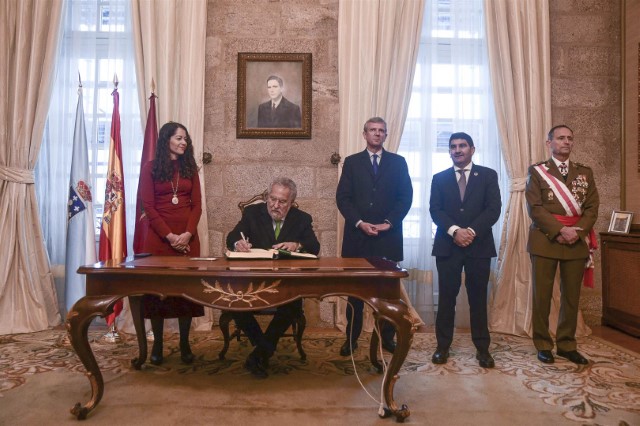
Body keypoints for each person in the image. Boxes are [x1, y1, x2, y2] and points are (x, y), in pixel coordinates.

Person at [226, 177, 320, 378]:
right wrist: (237, 244)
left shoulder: (302, 218)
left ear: (291, 202)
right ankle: (264, 350)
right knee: (234, 303)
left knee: (292, 306)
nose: (275, 205)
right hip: (254, 281)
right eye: (272, 199)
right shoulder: (252, 213)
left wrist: (297, 245)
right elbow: (231, 237)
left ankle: (258, 354)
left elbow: (314, 246)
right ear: (268, 196)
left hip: (285, 284)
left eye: (282, 202)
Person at [336, 117, 413, 356]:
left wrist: (387, 224)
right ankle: (351, 339)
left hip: (387, 239)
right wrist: (360, 223)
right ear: (364, 134)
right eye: (372, 130)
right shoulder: (351, 163)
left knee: (387, 295)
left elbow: (405, 198)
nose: (377, 134)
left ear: (386, 135)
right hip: (357, 239)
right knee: (355, 295)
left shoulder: (398, 163)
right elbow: (343, 198)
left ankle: (386, 338)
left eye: (381, 131)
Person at [526, 125, 599, 365]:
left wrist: (576, 233)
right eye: (560, 138)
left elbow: (591, 207)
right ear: (550, 143)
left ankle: (567, 344)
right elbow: (535, 207)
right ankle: (543, 344)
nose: (566, 142)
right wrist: (559, 231)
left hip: (576, 239)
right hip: (546, 239)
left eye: (569, 138)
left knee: (571, 296)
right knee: (542, 296)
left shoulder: (585, 173)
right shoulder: (537, 172)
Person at [429, 132, 501, 369]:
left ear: (472, 149)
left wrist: (470, 231)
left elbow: (493, 209)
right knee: (447, 298)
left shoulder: (488, 175)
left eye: (462, 146)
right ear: (449, 151)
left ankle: (483, 349)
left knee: (478, 299)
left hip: (478, 246)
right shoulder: (439, 178)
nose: (457, 150)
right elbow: (435, 210)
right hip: (447, 247)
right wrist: (454, 231)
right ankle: (442, 347)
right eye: (453, 146)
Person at [139, 122, 204, 366]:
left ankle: (185, 343)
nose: (183, 142)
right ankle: (157, 345)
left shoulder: (190, 169)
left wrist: (187, 234)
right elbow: (149, 206)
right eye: (178, 138)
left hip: (187, 240)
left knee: (186, 294)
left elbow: (197, 205)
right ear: (166, 139)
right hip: (159, 240)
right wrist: (169, 236)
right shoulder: (151, 168)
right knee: (158, 294)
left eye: (185, 139)